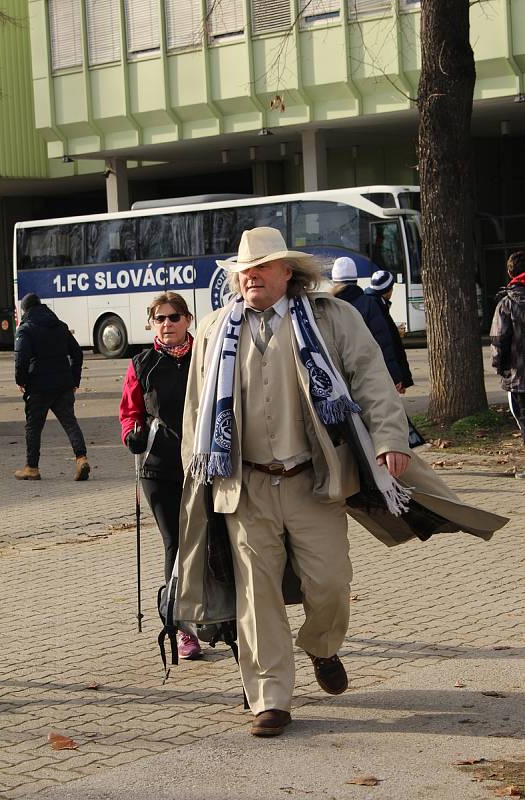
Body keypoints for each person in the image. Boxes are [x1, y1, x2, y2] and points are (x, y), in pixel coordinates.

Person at [175, 227, 506, 738]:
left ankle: (323, 647)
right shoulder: (217, 328)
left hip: (314, 480)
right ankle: (271, 698)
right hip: (245, 486)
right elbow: (198, 407)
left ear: (289, 271)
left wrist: (390, 438)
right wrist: (195, 475)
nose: (251, 277)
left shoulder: (332, 318)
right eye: (244, 270)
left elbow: (372, 378)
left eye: (262, 267)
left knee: (330, 584)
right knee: (256, 598)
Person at [119, 291, 201, 660]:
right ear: (151, 323)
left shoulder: (209, 356)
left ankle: (223, 617)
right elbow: (129, 412)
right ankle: (179, 626)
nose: (166, 325)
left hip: (205, 464)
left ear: (188, 319)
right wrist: (132, 434)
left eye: (174, 317)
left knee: (215, 540)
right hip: (160, 467)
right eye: (159, 318)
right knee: (177, 543)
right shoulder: (142, 363)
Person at [14, 293, 90, 482]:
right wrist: (74, 380)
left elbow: (21, 359)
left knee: (33, 427)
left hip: (38, 388)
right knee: (70, 422)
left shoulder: (25, 329)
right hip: (63, 386)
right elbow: (77, 354)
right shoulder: (60, 326)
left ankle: (32, 468)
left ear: (24, 310)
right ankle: (81, 458)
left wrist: (21, 380)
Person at [330, 257, 405, 390]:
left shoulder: (325, 305)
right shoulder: (369, 304)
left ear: (334, 280)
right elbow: (383, 342)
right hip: (365, 375)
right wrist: (394, 375)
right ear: (356, 279)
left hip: (335, 375)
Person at [490, 250, 525, 477]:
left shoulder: (507, 303)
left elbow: (499, 339)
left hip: (519, 377)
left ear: (509, 272)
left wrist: (501, 368)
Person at [364, 269, 413, 395]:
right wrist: (397, 377)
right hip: (382, 375)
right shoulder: (377, 308)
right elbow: (387, 346)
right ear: (387, 292)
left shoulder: (370, 303)